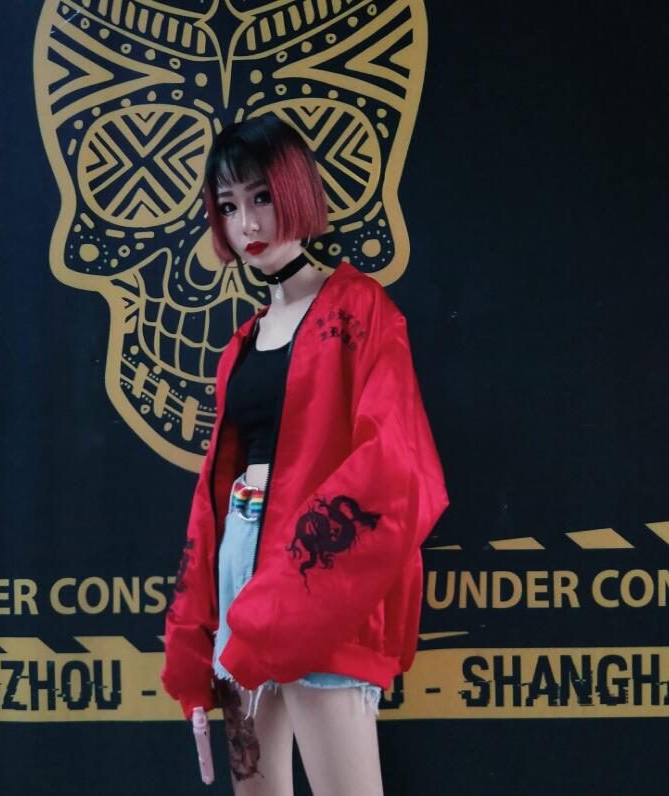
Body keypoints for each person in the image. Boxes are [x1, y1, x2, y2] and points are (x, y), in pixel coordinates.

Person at [162, 114, 449, 794]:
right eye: (228, 206)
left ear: (295, 191)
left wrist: (288, 591)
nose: (247, 223)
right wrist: (196, 625)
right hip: (240, 569)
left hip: (318, 572)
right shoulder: (242, 342)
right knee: (254, 786)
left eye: (261, 196)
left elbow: (398, 467)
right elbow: (213, 494)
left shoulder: (358, 309)